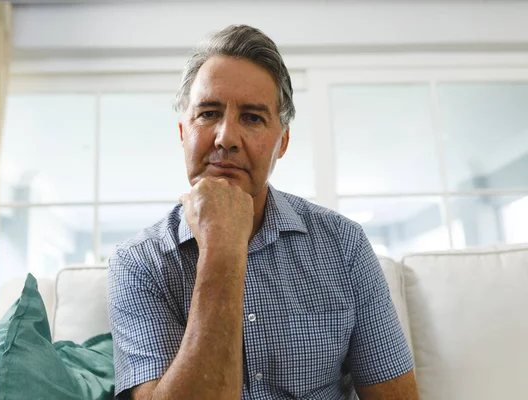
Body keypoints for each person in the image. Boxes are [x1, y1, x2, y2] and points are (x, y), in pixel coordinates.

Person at [108, 24, 418, 400]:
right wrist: (222, 247)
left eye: (253, 118)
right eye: (208, 113)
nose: (225, 138)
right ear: (182, 132)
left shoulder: (343, 244)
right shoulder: (137, 263)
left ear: (282, 142)